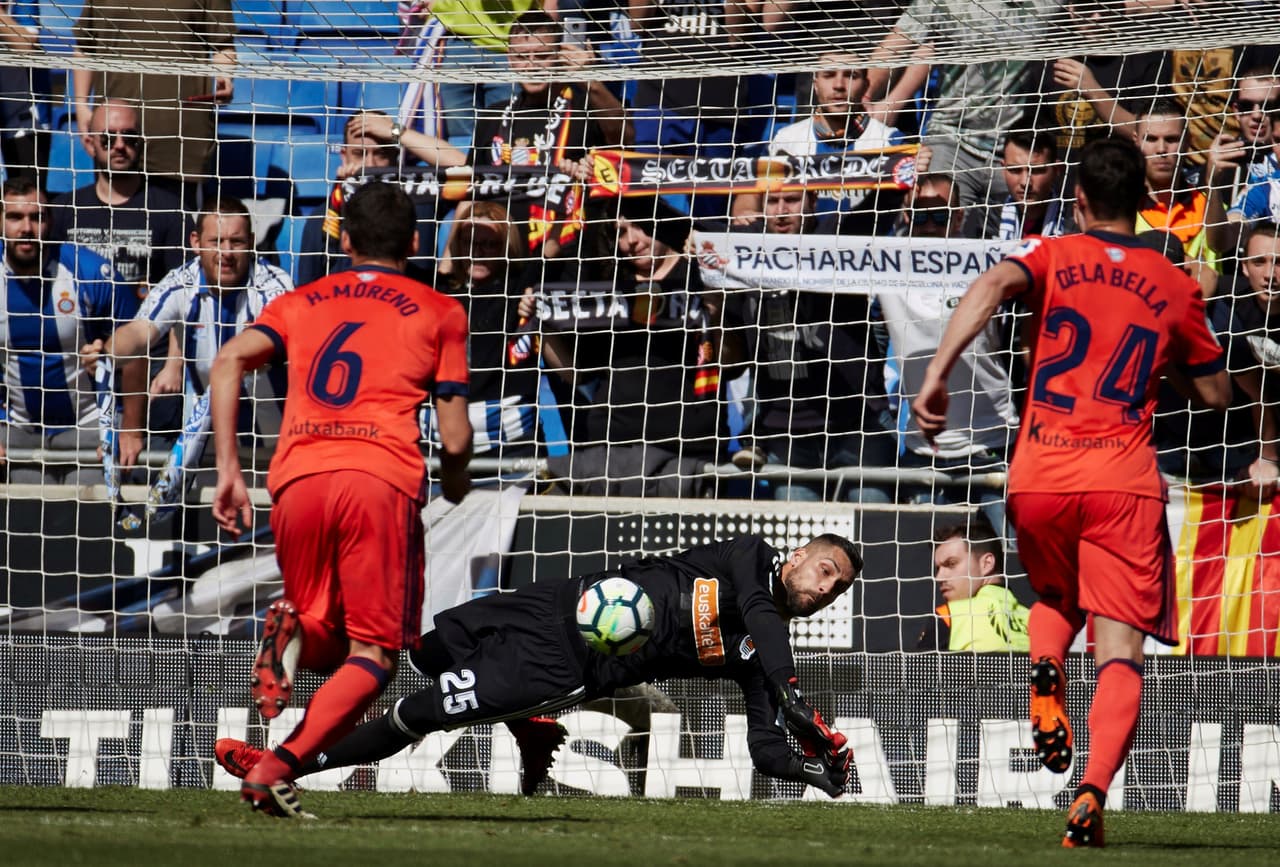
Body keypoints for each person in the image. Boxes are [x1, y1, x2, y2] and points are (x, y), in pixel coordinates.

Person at [912, 136, 1231, 847]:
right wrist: (1168, 350)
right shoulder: (1174, 282)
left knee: (1057, 599)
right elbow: (1213, 393)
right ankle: (1090, 792)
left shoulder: (1049, 253)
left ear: (1078, 196)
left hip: (1042, 471)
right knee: (1121, 649)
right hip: (1124, 480)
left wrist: (937, 373)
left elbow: (991, 284)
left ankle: (1045, 668)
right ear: (1146, 202)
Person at [213, 533, 862, 813]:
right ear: (799, 553)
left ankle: (283, 765)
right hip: (553, 600)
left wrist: (810, 768)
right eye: (827, 571)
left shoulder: (754, 653)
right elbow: (757, 608)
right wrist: (793, 689)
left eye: (838, 590)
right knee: (422, 653)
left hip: (563, 663)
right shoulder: (748, 560)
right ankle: (530, 730)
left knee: (419, 713)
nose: (828, 588)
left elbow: (764, 745)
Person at [209, 182, 474, 817]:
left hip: (296, 478)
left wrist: (228, 471)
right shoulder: (440, 310)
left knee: (324, 627)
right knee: (377, 652)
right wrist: (456, 481)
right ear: (416, 242)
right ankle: (276, 767)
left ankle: (290, 629)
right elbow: (457, 434)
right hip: (378, 478)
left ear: (345, 239)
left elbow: (226, 361)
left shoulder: (302, 301)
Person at [87, 197, 293, 473]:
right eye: (216, 241)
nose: (226, 252)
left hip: (271, 442)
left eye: (237, 242)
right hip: (204, 440)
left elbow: (282, 342)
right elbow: (139, 332)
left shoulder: (274, 284)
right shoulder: (180, 282)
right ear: (196, 242)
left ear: (252, 241)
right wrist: (107, 354)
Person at [722, 188, 891, 503]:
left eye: (792, 200)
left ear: (813, 202)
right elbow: (733, 365)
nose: (781, 210)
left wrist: (902, 176)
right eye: (772, 201)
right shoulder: (741, 252)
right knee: (802, 548)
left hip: (858, 427)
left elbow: (877, 212)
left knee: (873, 540)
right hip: (787, 437)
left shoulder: (835, 236)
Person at [872, 174, 1016, 531]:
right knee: (921, 569)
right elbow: (844, 231)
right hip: (924, 452)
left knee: (1014, 558)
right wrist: (895, 180)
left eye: (941, 215)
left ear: (960, 216)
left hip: (992, 442)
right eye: (920, 215)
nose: (930, 225)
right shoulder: (885, 265)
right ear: (906, 217)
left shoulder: (990, 265)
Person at [0, 177, 135, 485]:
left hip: (88, 425)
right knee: (25, 525)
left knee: (87, 519)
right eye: (15, 217)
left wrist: (129, 427)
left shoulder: (90, 272)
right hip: (18, 429)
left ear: (50, 221)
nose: (26, 228)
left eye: (37, 217)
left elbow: (138, 346)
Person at [72, 0, 238, 200]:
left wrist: (225, 77)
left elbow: (223, 46)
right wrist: (81, 105)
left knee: (177, 227)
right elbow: (85, 47)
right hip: (115, 138)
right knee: (118, 228)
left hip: (179, 140)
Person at [732, 53, 905, 232]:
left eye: (851, 76)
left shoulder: (889, 140)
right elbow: (752, 190)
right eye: (829, 75)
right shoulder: (787, 139)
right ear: (815, 84)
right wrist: (745, 209)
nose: (839, 86)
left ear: (865, 86)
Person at [432, 200, 541, 458]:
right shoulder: (438, 293)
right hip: (442, 445)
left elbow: (552, 249)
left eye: (489, 244)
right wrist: (462, 214)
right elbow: (443, 270)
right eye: (470, 243)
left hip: (511, 445)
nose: (478, 252)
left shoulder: (518, 286)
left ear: (506, 247)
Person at [297, 110, 457, 286]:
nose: (370, 165)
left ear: (395, 158)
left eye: (381, 154)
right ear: (344, 156)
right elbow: (307, 293)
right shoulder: (324, 217)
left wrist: (396, 131)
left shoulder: (422, 202)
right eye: (359, 154)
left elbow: (469, 169)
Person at [50, 99, 185, 291]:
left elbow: (181, 290)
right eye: (108, 138)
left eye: (129, 137)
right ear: (90, 144)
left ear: (141, 142)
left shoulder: (171, 212)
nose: (120, 145)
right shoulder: (62, 210)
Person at [1135, 99, 1241, 296]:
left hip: (1203, 318)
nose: (1161, 149)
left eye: (1171, 139)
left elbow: (1221, 242)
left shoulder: (1209, 204)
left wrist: (1212, 183)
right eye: (1151, 139)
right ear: (1136, 141)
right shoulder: (1121, 207)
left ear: (1187, 141)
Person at [920, 518, 1030, 653]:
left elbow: (913, 673)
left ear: (987, 563)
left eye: (951, 564)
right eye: (938, 569)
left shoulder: (949, 615)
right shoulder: (1036, 620)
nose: (939, 578)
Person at [975, 130, 1074, 241]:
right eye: (1015, 170)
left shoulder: (1074, 218)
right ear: (1003, 169)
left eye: (1036, 170)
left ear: (1056, 170)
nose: (1025, 183)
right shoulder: (991, 214)